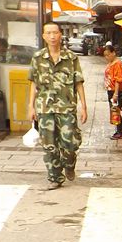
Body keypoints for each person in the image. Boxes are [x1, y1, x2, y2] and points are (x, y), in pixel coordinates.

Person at [28, 21, 88, 191]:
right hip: (45, 108)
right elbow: (33, 83)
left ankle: (69, 164)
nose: (53, 36)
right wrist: (30, 106)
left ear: (60, 35)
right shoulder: (38, 58)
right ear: (44, 36)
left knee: (70, 143)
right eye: (49, 33)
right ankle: (55, 177)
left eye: (55, 32)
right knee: (49, 145)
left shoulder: (71, 58)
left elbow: (78, 83)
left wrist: (84, 106)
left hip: (67, 107)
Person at [103, 44, 122, 140]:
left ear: (113, 53)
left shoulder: (117, 64)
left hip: (117, 91)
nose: (107, 57)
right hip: (111, 90)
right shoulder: (111, 63)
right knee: (114, 110)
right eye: (105, 55)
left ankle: (119, 132)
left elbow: (119, 80)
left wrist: (116, 94)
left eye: (108, 54)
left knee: (115, 111)